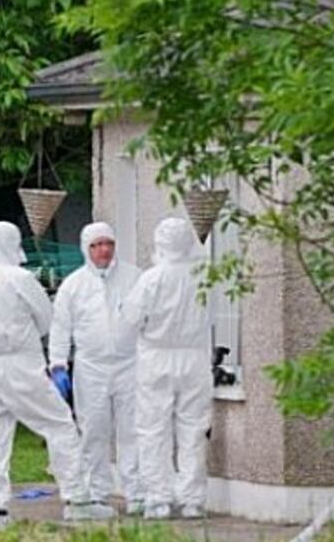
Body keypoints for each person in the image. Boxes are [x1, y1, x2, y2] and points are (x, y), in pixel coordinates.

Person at [0, 221, 115, 527]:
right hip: (22, 363)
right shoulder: (20, 278)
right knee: (59, 424)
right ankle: (76, 498)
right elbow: (46, 318)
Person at [49, 222, 144, 514]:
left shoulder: (134, 278)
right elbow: (61, 326)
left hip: (131, 364)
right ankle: (97, 492)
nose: (103, 250)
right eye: (96, 245)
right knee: (94, 430)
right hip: (91, 367)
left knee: (132, 430)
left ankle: (137, 493)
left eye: (108, 244)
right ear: (86, 249)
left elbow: (150, 317)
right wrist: (57, 364)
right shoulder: (74, 285)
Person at [121, 217, 212, 520]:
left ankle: (157, 498)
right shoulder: (202, 276)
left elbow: (131, 318)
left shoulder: (152, 278)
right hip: (194, 358)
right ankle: (192, 500)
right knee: (193, 429)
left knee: (152, 429)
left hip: (156, 358)